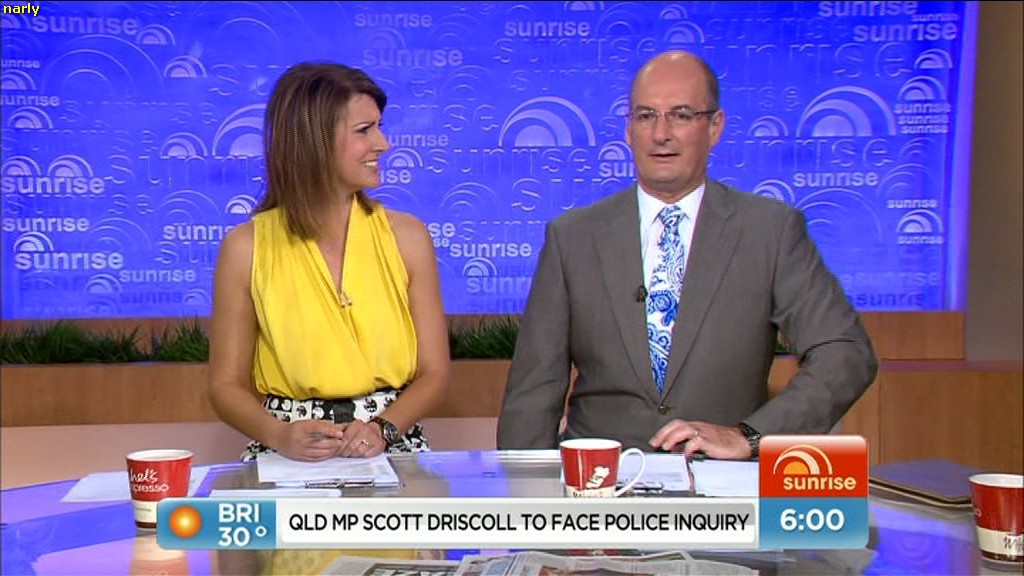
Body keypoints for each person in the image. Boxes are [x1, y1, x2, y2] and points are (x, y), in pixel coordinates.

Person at [497, 51, 877, 460]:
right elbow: (533, 394)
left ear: (715, 127)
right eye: (646, 116)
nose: (661, 133)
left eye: (680, 115)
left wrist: (751, 437)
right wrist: (526, 490)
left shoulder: (769, 231)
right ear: (628, 130)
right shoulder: (573, 237)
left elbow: (845, 353)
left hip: (723, 482)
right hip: (601, 482)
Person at [208, 62, 450, 462]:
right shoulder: (246, 248)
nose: (383, 144)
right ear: (314, 141)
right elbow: (224, 386)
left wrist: (383, 429)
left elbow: (435, 373)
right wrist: (279, 434)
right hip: (287, 451)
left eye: (379, 127)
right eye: (364, 130)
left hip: (391, 444)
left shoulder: (408, 237)